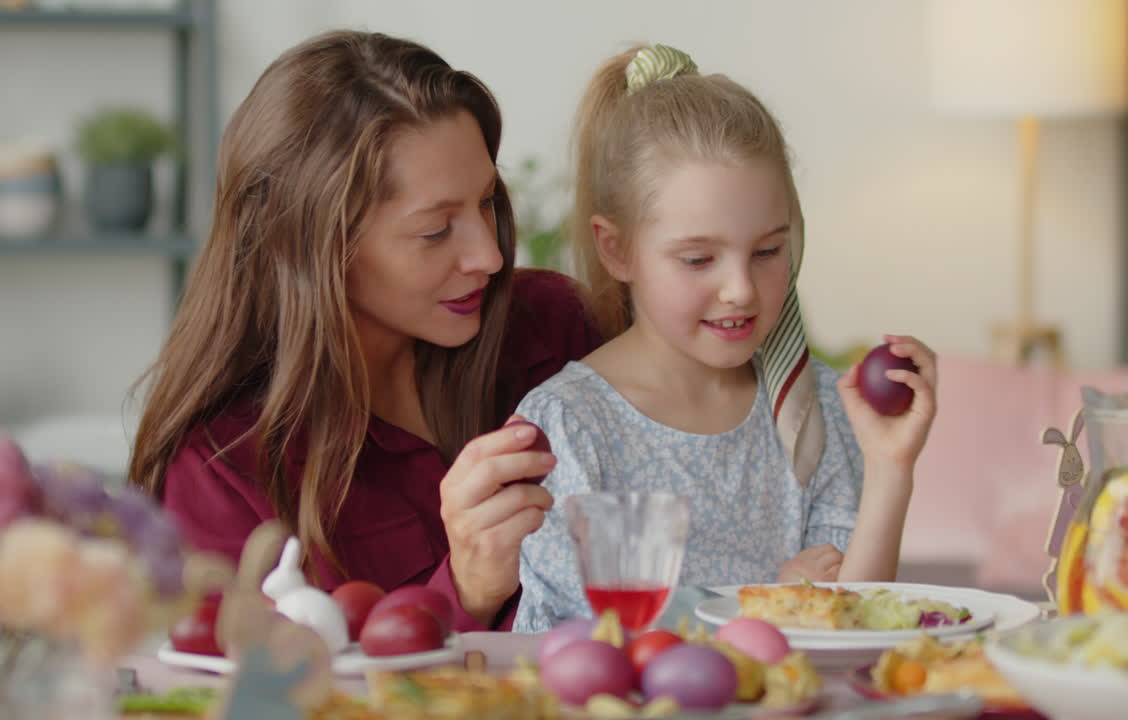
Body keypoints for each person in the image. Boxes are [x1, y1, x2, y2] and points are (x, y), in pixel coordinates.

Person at [127, 30, 601, 632]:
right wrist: (464, 591)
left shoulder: (554, 330)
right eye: (435, 231)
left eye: (487, 202)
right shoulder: (220, 469)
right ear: (313, 249)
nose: (488, 255)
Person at [512, 44, 938, 632]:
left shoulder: (810, 405)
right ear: (616, 248)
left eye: (767, 251)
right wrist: (766, 604)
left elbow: (857, 621)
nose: (741, 288)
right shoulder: (568, 427)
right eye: (698, 258)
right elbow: (583, 648)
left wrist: (892, 466)